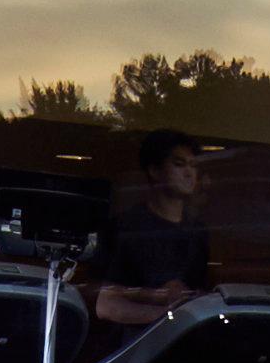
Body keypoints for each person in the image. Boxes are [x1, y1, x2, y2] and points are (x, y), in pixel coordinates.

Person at [83, 128, 218, 325]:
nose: (189, 173)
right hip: (132, 347)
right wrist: (164, 313)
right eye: (179, 164)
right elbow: (105, 304)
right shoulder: (125, 228)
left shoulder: (198, 232)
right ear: (154, 170)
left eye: (193, 165)